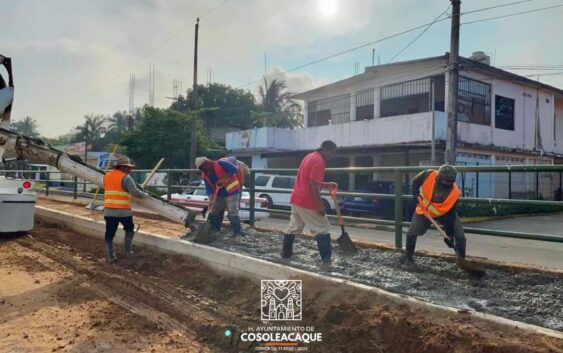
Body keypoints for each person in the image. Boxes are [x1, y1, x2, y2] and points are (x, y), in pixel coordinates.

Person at [282, 140, 338, 265]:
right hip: (307, 200)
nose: (332, 156)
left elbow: (309, 180)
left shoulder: (310, 156)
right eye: (332, 153)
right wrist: (320, 205)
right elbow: (313, 186)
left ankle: (285, 256)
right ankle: (327, 261)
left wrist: (326, 184)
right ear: (326, 150)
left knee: (293, 228)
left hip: (296, 198)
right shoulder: (319, 162)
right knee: (322, 228)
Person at [401, 164, 465, 265]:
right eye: (445, 181)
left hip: (444, 213)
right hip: (424, 210)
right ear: (439, 177)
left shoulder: (455, 193)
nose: (447, 184)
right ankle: (408, 257)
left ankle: (461, 261)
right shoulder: (428, 174)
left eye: (450, 182)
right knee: (412, 233)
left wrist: (449, 234)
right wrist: (415, 195)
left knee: (460, 236)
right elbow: (415, 182)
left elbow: (450, 216)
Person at [103, 157, 149, 263]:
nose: (130, 170)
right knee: (129, 229)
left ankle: (111, 257)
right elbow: (135, 192)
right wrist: (146, 195)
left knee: (109, 234)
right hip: (124, 211)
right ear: (123, 167)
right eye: (128, 168)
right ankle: (128, 251)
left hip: (109, 211)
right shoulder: (126, 178)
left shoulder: (106, 176)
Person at [195, 156, 243, 237]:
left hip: (231, 192)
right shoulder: (205, 175)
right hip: (219, 194)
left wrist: (224, 179)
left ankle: (237, 233)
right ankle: (214, 229)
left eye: (202, 168)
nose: (202, 170)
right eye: (200, 169)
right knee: (213, 210)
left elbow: (234, 169)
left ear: (206, 163)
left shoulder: (221, 163)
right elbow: (208, 187)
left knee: (233, 211)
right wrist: (210, 199)